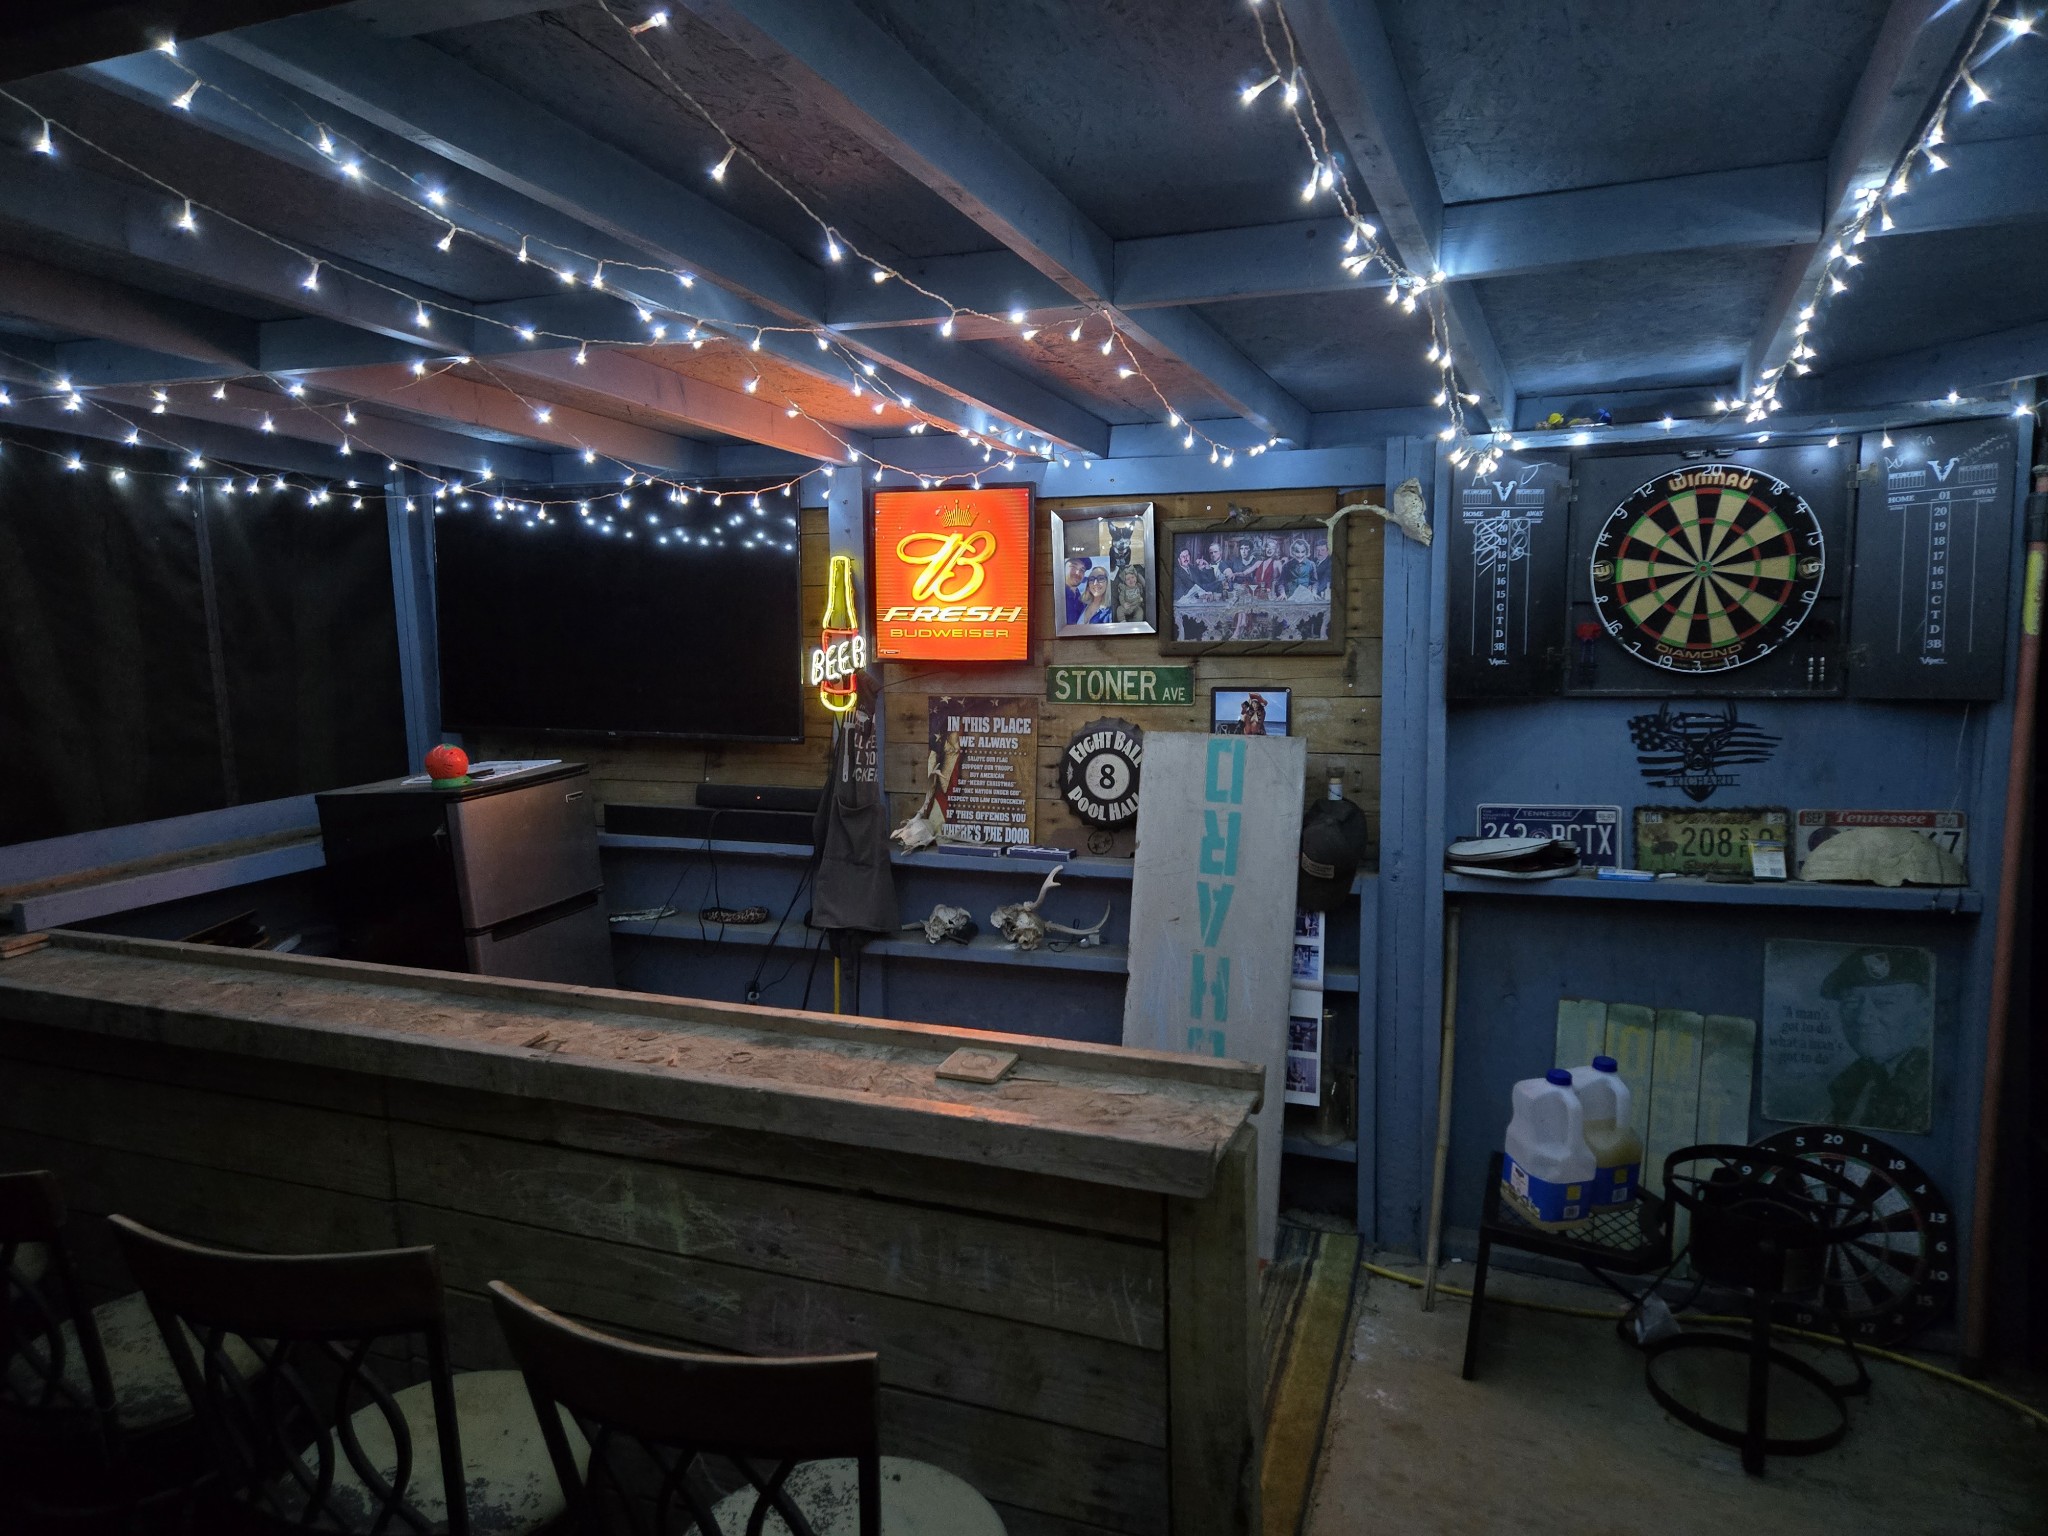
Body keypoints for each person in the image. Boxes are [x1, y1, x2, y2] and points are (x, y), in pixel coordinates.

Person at [1822, 946, 1934, 1131]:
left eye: (1884, 1003)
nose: (1863, 1018)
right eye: (1852, 1002)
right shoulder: (1856, 1080)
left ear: (1925, 1014)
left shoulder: (1932, 1087)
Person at [1063, 555, 1091, 625]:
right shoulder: (1059, 597)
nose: (1078, 573)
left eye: (1082, 570)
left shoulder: (1079, 597)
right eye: (1073, 567)